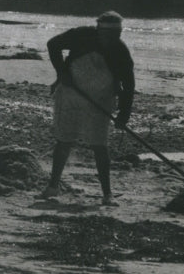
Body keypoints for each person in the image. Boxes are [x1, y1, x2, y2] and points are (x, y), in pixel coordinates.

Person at [40, 11, 135, 206]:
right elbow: (53, 44)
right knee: (64, 140)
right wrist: (62, 72)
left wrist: (123, 115)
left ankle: (107, 194)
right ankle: (52, 187)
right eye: (107, 35)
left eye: (116, 35)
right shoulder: (81, 35)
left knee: (99, 145)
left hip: (100, 99)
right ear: (98, 30)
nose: (111, 40)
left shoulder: (120, 51)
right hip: (71, 93)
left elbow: (129, 85)